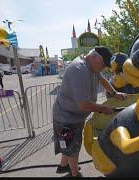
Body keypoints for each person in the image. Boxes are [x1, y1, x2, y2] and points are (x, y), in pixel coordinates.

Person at [52, 46, 127, 177]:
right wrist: (103, 109)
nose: (103, 68)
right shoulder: (79, 69)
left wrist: (114, 93)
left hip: (75, 115)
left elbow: (102, 79)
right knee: (72, 146)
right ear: (94, 57)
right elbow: (83, 104)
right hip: (67, 117)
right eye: (103, 64)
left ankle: (64, 165)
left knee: (69, 143)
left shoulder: (91, 66)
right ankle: (74, 174)